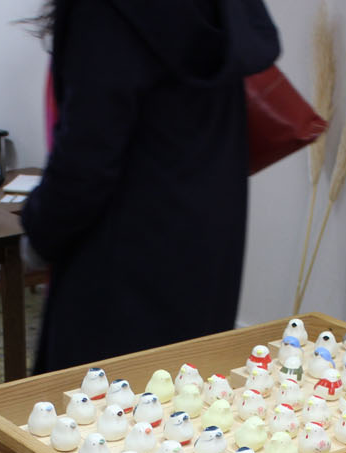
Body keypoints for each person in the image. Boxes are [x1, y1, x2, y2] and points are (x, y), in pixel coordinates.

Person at [21, 0, 279, 373]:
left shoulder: (105, 10)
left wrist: (40, 230)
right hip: (203, 250)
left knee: (96, 401)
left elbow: (87, 154)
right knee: (184, 391)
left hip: (116, 266)